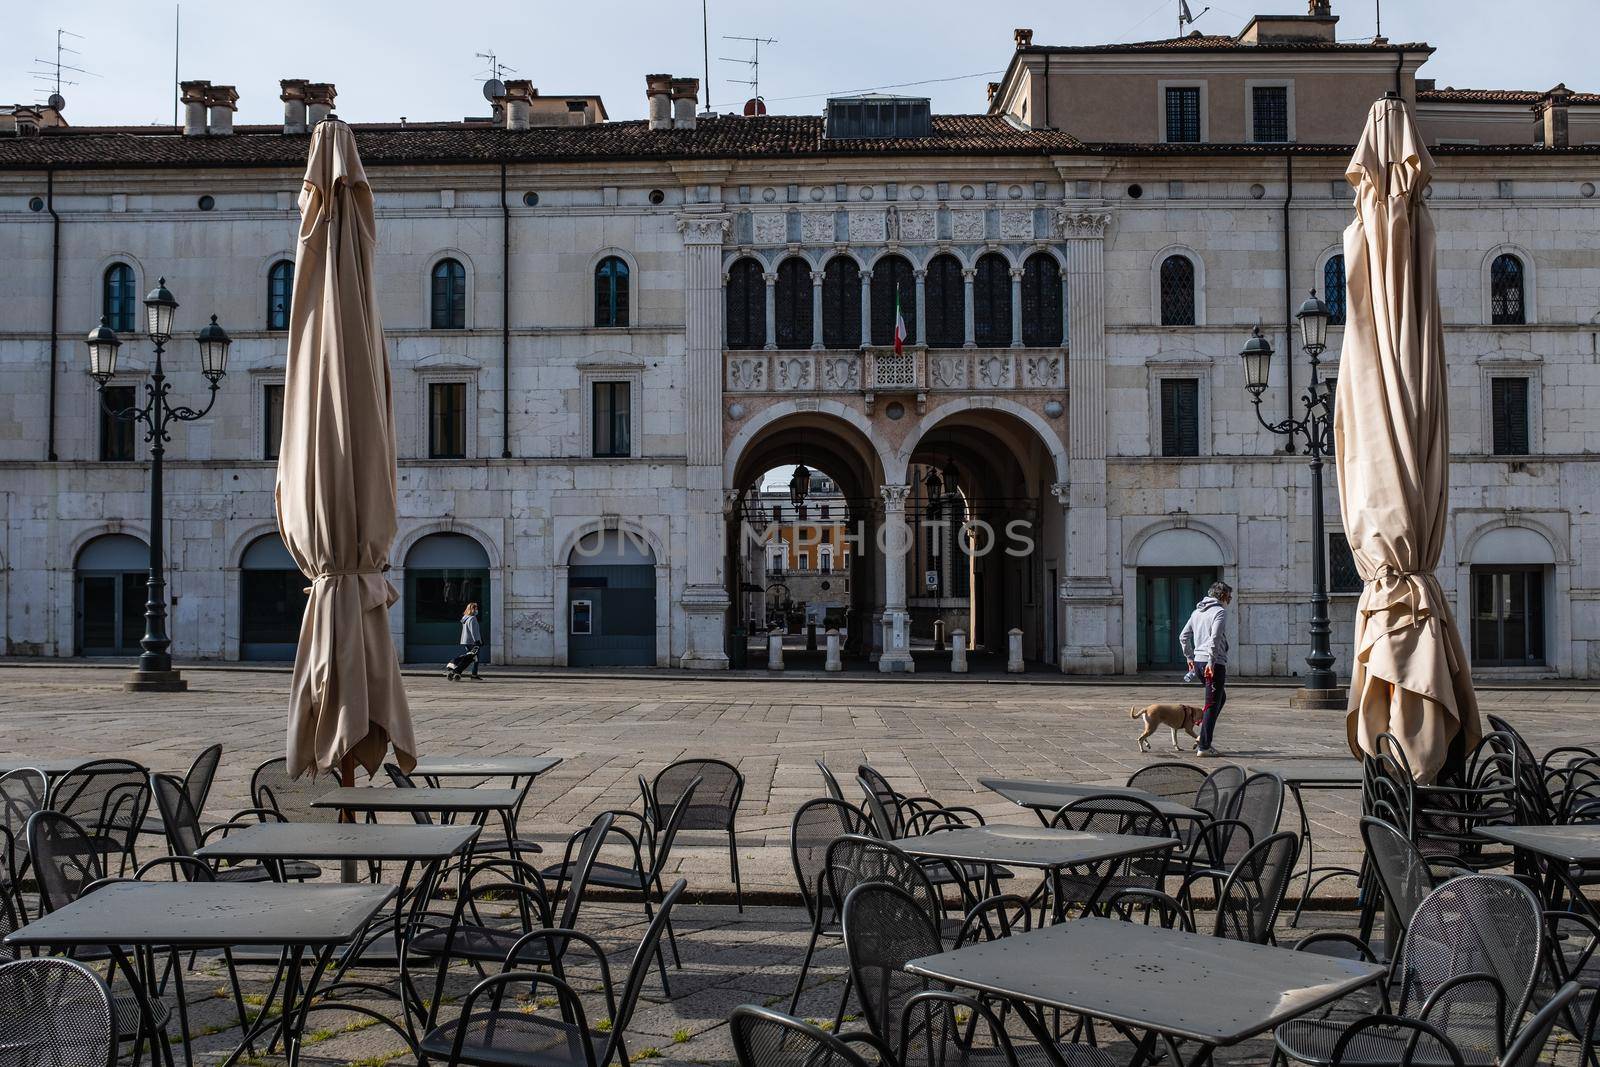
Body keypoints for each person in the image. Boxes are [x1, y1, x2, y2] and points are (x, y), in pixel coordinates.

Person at [1179, 581, 1232, 757]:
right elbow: (1215, 638)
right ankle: (1204, 746)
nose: (1229, 600)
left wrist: (1189, 658)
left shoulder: (1196, 612)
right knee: (1211, 704)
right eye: (1229, 597)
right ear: (1223, 596)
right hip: (1213, 664)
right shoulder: (1219, 612)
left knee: (1219, 698)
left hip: (1199, 663)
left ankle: (1203, 735)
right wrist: (1211, 661)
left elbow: (1183, 636)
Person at [447, 601, 483, 682]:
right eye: (476, 608)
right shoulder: (472, 618)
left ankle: (472, 674)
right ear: (472, 609)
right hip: (472, 642)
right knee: (471, 658)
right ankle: (458, 671)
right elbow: (473, 631)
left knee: (472, 658)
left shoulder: (466, 618)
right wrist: (477, 641)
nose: (477, 610)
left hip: (466, 641)